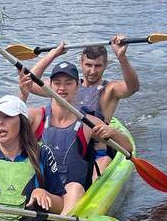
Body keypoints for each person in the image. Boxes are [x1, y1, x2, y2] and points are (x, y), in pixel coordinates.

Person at [19, 61, 133, 214]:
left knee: (75, 188)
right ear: (50, 86)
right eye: (57, 83)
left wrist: (112, 132)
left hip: (69, 197)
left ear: (77, 87)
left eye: (68, 83)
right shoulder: (36, 116)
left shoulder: (89, 123)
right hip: (38, 191)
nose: (62, 88)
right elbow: (9, 128)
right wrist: (23, 96)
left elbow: (128, 149)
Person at [25, 38, 140, 173]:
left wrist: (122, 57)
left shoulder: (110, 89)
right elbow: (30, 83)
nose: (92, 71)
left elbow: (133, 87)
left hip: (97, 151)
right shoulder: (65, 87)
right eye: (88, 65)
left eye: (98, 66)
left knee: (103, 163)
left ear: (105, 65)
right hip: (66, 147)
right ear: (81, 63)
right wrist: (53, 54)